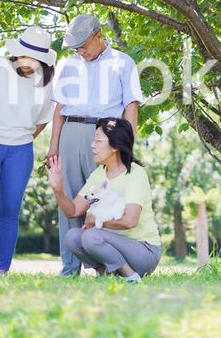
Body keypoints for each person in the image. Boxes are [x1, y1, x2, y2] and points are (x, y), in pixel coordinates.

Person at [48, 14, 145, 275]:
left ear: (99, 36)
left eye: (83, 45)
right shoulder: (69, 65)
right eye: (75, 47)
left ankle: (107, 266)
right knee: (68, 196)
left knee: (104, 199)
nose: (80, 51)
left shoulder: (123, 63)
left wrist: (126, 147)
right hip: (71, 131)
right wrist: (53, 145)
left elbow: (131, 107)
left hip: (105, 135)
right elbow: (59, 108)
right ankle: (69, 267)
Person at [0, 25, 56, 273]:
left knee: (9, 210)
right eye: (25, 56)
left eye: (36, 58)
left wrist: (21, 137)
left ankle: (2, 270)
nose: (29, 63)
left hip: (20, 150)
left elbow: (43, 119)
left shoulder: (45, 80)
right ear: (17, 53)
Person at [47, 117, 160, 282]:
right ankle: (105, 274)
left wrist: (96, 219)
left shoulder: (135, 173)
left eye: (98, 141)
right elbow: (73, 211)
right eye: (94, 140)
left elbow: (130, 221)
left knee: (91, 236)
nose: (92, 145)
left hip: (144, 251)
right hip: (113, 244)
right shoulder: (99, 174)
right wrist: (58, 189)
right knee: (72, 236)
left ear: (115, 146)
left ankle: (131, 276)